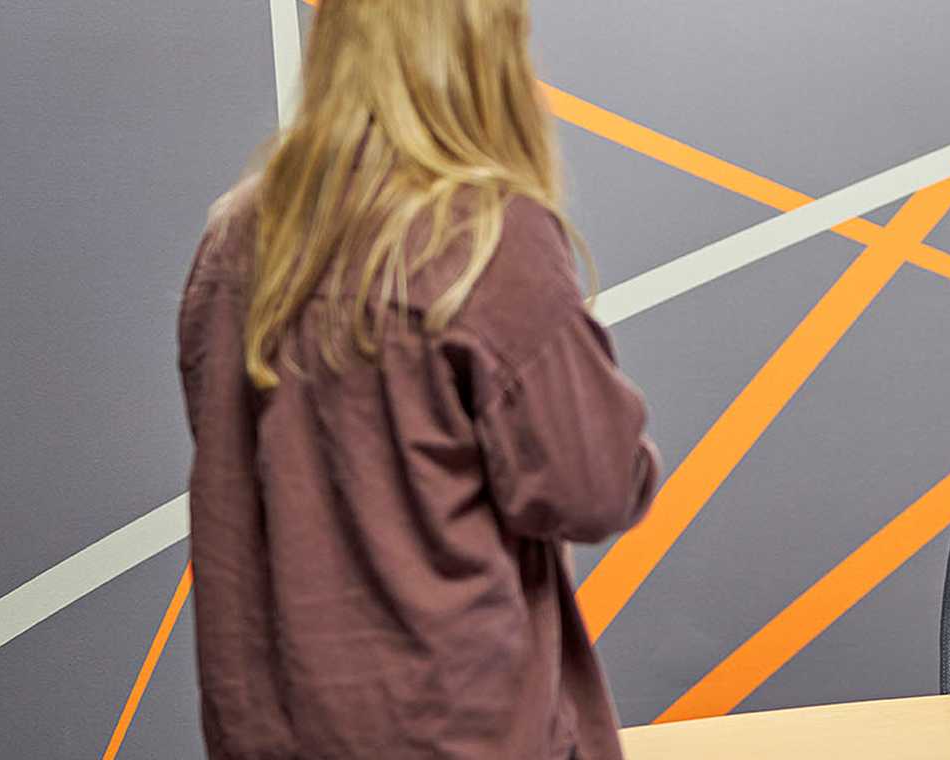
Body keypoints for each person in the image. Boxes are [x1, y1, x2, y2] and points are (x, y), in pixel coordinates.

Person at [176, 2, 658, 757]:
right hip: (461, 732)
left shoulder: (235, 236)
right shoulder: (485, 236)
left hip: (270, 733)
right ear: (483, 49)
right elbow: (595, 484)